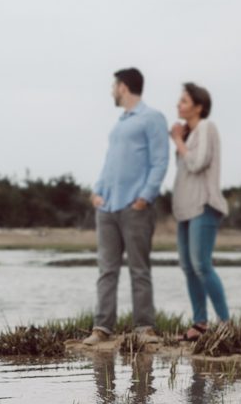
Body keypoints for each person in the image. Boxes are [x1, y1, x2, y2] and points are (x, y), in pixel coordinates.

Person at [83, 68, 170, 346]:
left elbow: (160, 161)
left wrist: (145, 197)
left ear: (123, 87)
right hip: (107, 208)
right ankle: (102, 328)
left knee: (139, 270)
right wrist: (97, 192)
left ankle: (145, 328)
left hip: (136, 208)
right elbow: (110, 163)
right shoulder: (119, 123)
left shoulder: (152, 118)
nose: (111, 91)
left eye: (113, 86)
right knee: (106, 270)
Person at [169, 82, 229, 340]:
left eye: (183, 101)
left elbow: (197, 163)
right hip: (184, 210)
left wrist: (178, 141)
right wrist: (181, 140)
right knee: (188, 267)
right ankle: (200, 323)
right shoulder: (189, 134)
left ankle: (226, 324)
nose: (178, 105)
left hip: (204, 205)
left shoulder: (206, 127)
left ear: (198, 106)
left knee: (202, 265)